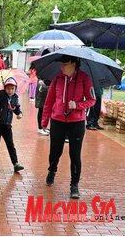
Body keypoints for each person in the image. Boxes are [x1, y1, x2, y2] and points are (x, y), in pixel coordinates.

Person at [42, 55, 96, 199]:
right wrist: (44, 121)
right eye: (61, 64)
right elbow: (49, 101)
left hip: (76, 122)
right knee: (55, 151)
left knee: (75, 154)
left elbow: (92, 100)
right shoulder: (57, 79)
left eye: (65, 64)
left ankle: (74, 185)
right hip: (57, 120)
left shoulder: (84, 79)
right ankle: (52, 169)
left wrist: (78, 106)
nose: (62, 67)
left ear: (74, 63)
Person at [0, 77, 25, 172]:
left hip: (7, 125)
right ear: (5, 88)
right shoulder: (1, 95)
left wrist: (19, 113)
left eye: (12, 88)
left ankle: (16, 164)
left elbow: (16, 108)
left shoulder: (15, 97)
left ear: (15, 89)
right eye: (8, 88)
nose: (10, 91)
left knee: (10, 144)